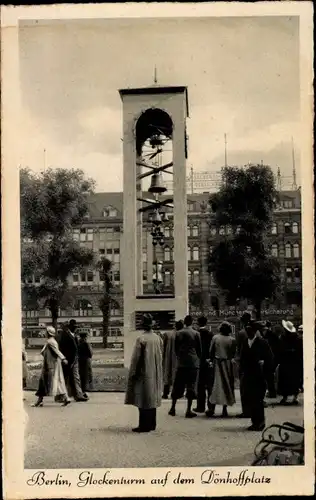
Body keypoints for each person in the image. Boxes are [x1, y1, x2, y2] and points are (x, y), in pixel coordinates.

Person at [125, 313, 163, 433]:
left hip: (144, 371)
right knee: (152, 398)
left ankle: (144, 425)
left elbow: (136, 358)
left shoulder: (141, 339)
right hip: (155, 370)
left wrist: (133, 372)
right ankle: (152, 423)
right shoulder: (158, 338)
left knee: (143, 398)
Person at [239, 321, 274, 431]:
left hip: (259, 375)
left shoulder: (262, 342)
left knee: (258, 399)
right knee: (250, 398)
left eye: (250, 330)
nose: (248, 332)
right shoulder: (245, 342)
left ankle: (260, 422)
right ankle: (254, 421)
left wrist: (264, 363)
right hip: (248, 374)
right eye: (247, 330)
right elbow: (242, 357)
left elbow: (270, 357)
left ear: (255, 331)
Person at [168, 314, 201, 418]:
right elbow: (199, 349)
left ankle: (173, 408)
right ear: (192, 322)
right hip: (193, 362)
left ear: (184, 322)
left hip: (182, 363)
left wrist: (180, 356)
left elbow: (176, 348)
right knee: (191, 386)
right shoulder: (196, 333)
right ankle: (188, 410)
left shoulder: (178, 333)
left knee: (178, 385)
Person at [32, 326, 70, 407]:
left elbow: (57, 351)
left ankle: (39, 400)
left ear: (48, 333)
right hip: (51, 364)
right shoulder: (51, 341)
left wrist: (63, 358)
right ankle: (65, 398)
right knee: (56, 381)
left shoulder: (50, 342)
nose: (45, 333)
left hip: (50, 365)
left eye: (46, 331)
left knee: (45, 381)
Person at [206, 321, 236, 418]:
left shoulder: (215, 338)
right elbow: (232, 354)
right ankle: (224, 409)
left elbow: (211, 351)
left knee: (215, 385)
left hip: (217, 364)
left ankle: (211, 408)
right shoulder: (232, 339)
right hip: (227, 364)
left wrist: (210, 361)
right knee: (227, 385)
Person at [58, 319, 88, 402]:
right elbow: (63, 348)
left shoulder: (72, 335)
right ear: (69, 327)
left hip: (73, 360)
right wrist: (66, 360)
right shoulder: (65, 335)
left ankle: (77, 395)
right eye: (74, 327)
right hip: (68, 361)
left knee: (74, 378)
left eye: (76, 327)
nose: (75, 328)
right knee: (67, 378)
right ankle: (64, 396)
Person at [277, 320, 303, 405]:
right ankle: (294, 397)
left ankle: (286, 397)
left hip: (287, 362)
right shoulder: (297, 339)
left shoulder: (283, 338)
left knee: (286, 380)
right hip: (294, 362)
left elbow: (280, 350)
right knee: (294, 379)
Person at [193, 316, 214, 413]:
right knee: (209, 385)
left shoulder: (196, 334)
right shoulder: (210, 334)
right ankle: (211, 407)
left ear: (198, 323)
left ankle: (200, 406)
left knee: (200, 385)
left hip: (199, 361)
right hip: (208, 361)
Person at [236, 311, 252, 418]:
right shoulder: (256, 332)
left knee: (244, 388)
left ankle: (246, 411)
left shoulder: (241, 333)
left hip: (244, 363)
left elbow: (238, 348)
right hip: (254, 363)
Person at [162, 320, 182, 399]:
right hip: (178, 359)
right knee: (177, 376)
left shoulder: (167, 334)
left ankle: (165, 393)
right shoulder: (182, 334)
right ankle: (177, 394)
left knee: (167, 375)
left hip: (168, 358)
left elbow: (163, 347)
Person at [78, 331, 93, 398]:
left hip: (79, 360)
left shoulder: (78, 343)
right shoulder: (86, 344)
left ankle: (80, 390)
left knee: (81, 376)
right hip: (86, 361)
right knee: (86, 376)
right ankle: (85, 391)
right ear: (85, 337)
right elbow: (90, 353)